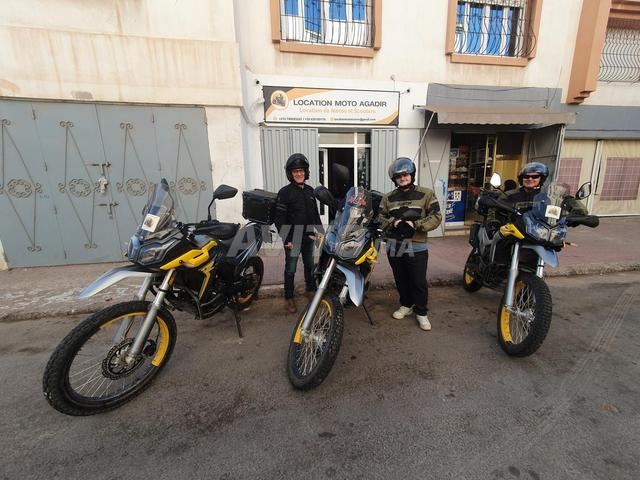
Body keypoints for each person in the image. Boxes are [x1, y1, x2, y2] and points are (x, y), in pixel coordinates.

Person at [377, 157, 442, 331]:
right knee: (401, 279)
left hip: (416, 245)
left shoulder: (426, 194)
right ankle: (406, 305)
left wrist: (416, 224)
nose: (403, 178)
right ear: (394, 179)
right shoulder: (388, 198)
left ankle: (421, 312)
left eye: (405, 174)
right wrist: (394, 222)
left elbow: (436, 216)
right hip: (394, 245)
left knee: (418, 281)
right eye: (399, 176)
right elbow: (379, 217)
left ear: (412, 175)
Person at [274, 153, 323, 314]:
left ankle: (310, 290)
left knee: (309, 265)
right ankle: (289, 298)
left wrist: (320, 232)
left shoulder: (310, 191)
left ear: (306, 172)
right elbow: (279, 219)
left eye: (301, 170)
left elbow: (315, 214)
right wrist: (286, 239)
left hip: (309, 236)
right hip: (293, 238)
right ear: (290, 174)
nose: (299, 173)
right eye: (295, 171)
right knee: (291, 269)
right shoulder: (284, 193)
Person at [504, 162, 587, 214]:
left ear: (541, 179)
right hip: (514, 230)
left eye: (535, 177)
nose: (530, 179)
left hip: (541, 231)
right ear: (521, 178)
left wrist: (576, 209)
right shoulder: (509, 195)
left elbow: (564, 203)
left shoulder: (549, 195)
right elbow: (496, 208)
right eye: (526, 176)